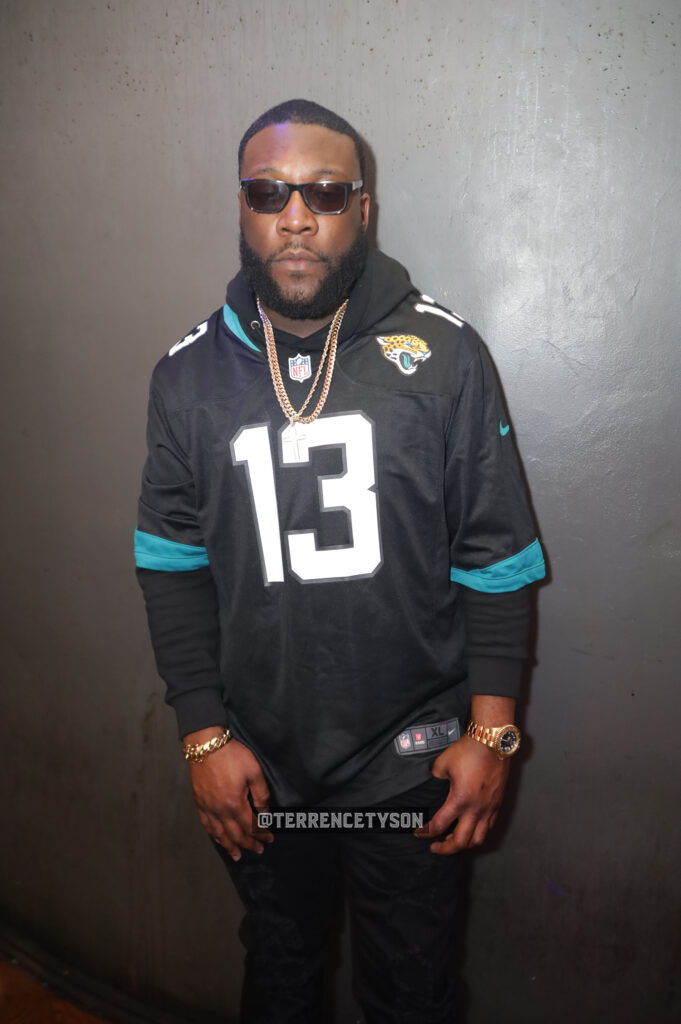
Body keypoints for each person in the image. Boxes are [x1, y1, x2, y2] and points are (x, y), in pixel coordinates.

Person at [135, 98, 545, 1023]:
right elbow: (170, 563)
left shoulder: (442, 354)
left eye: (323, 193)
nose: (295, 217)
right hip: (258, 763)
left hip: (412, 765)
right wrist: (202, 735)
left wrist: (491, 735)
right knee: (280, 974)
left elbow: (495, 556)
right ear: (242, 207)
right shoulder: (186, 376)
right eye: (267, 193)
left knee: (411, 989)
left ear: (363, 208)